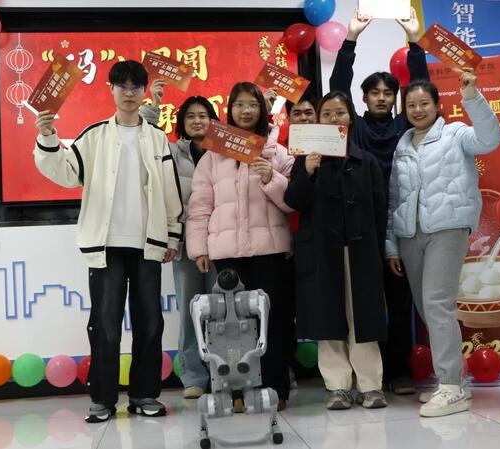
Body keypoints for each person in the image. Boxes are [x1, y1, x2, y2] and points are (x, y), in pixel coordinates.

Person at [33, 60, 183, 423]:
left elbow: (169, 189)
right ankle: (102, 399)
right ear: (111, 90)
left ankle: (144, 395)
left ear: (144, 91)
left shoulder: (157, 137)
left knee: (150, 323)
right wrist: (48, 136)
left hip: (148, 243)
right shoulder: (94, 135)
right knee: (105, 325)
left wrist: (172, 234)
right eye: (122, 86)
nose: (129, 93)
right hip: (106, 245)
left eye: (135, 87)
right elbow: (66, 172)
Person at [385, 77, 500, 417]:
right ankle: (453, 382)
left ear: (437, 106)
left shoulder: (455, 134)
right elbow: (395, 199)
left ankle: (451, 385)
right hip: (411, 234)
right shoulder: (402, 146)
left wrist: (472, 96)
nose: (417, 110)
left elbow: (490, 139)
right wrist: (392, 246)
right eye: (411, 105)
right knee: (428, 308)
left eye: (424, 103)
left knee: (438, 304)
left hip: (448, 228)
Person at [329, 7, 428, 395]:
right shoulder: (353, 129)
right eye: (376, 93)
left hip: (402, 224)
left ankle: (399, 372)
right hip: (364, 226)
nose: (383, 98)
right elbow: (337, 87)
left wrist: (415, 41)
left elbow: (421, 87)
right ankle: (368, 375)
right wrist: (351, 38)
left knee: (401, 300)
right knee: (366, 304)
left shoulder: (406, 125)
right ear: (365, 98)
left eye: (389, 93)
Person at [185, 82, 296, 411]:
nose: (245, 111)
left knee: (273, 321)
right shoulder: (213, 155)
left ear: (262, 109)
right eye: (239, 104)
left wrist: (271, 177)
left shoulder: (277, 151)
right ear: (229, 110)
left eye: (252, 104)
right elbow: (200, 204)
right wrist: (199, 248)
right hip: (227, 252)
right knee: (231, 326)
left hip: (270, 250)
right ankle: (236, 391)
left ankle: (276, 387)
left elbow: (292, 202)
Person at [284, 91, 388, 410]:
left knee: (362, 319)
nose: (333, 119)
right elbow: (293, 201)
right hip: (321, 253)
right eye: (326, 113)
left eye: (339, 112)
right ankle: (338, 386)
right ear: (318, 120)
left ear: (350, 117)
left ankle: (370, 386)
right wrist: (308, 171)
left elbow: (380, 212)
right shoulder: (305, 159)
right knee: (328, 317)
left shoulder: (366, 161)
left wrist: (378, 252)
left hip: (360, 252)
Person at [139, 81, 219, 400]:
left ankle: (223, 373)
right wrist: (154, 105)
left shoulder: (224, 153)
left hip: (223, 243)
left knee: (222, 309)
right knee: (191, 310)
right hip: (186, 245)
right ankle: (194, 376)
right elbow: (143, 138)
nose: (198, 121)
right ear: (181, 123)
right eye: (191, 116)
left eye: (204, 115)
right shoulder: (171, 153)